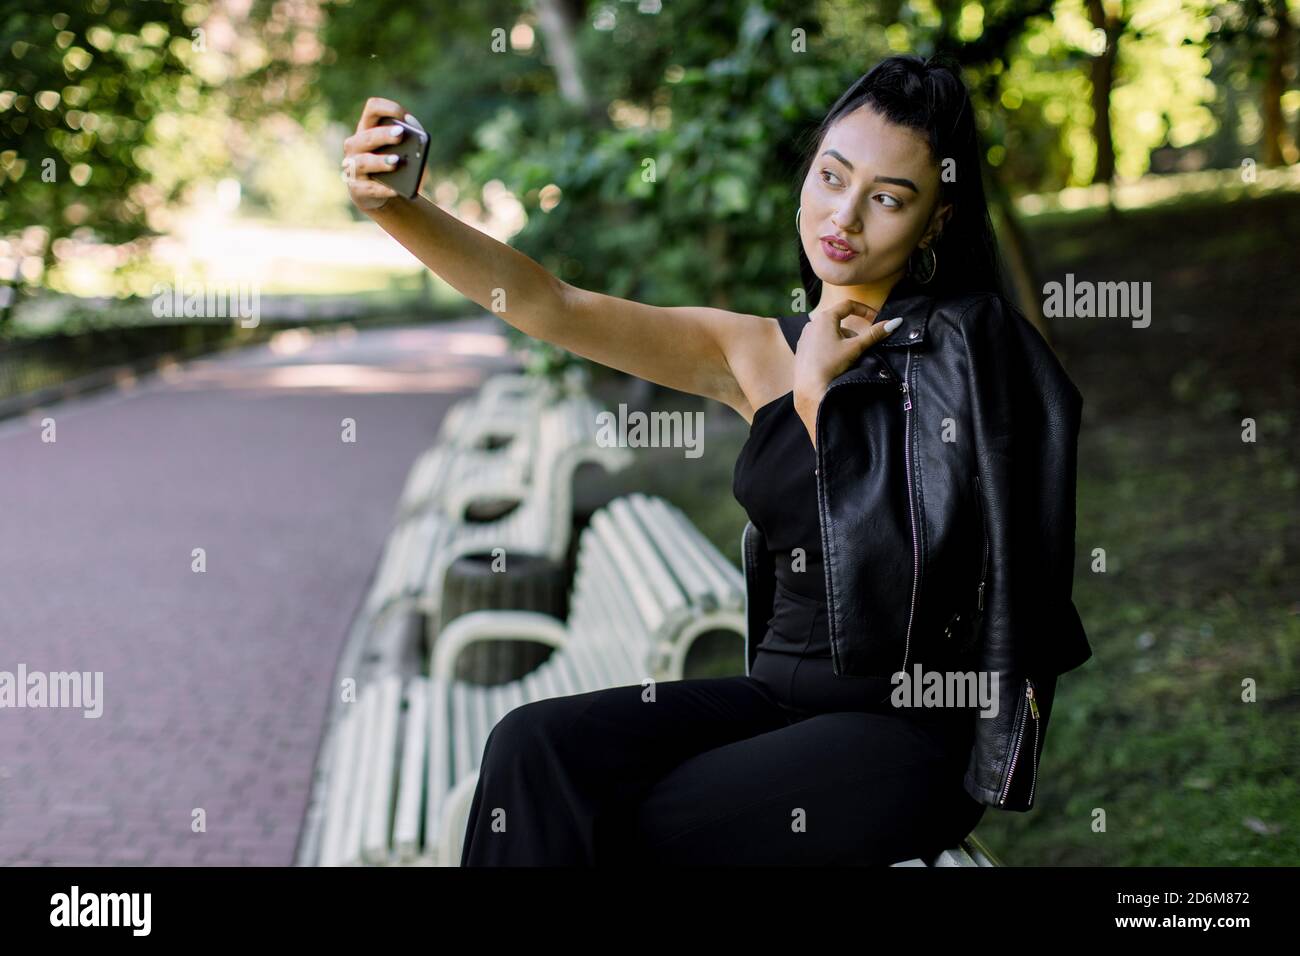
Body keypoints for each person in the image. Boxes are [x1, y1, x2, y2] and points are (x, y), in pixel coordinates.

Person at [343, 54, 1041, 865]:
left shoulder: (967, 359)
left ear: (936, 221)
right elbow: (549, 303)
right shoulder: (752, 349)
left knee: (626, 829)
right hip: (774, 705)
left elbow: (904, 567)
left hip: (904, 734)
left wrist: (817, 403)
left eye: (887, 199)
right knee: (532, 751)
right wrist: (399, 211)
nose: (842, 217)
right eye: (830, 176)